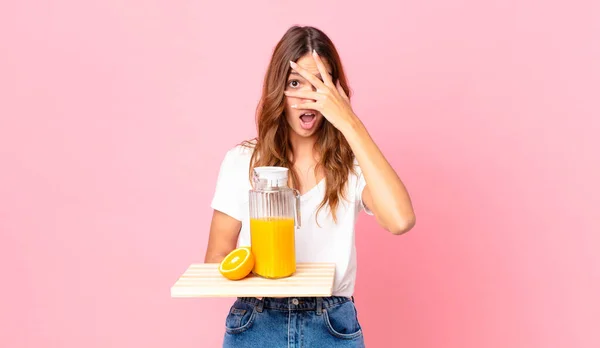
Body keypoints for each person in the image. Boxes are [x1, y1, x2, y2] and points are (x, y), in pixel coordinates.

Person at [204, 25, 416, 348]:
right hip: (256, 322)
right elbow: (217, 258)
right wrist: (260, 276)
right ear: (279, 90)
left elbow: (401, 220)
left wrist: (348, 121)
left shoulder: (353, 166)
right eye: (295, 83)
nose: (307, 96)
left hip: (331, 326)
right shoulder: (242, 161)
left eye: (320, 83)